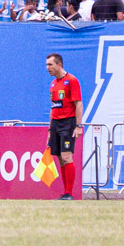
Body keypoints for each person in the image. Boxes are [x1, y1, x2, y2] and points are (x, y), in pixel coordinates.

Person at [44, 52, 83, 201]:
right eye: (47, 65)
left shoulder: (72, 81)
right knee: (60, 158)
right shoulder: (53, 84)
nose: (48, 68)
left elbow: (78, 103)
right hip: (55, 124)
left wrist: (78, 125)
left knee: (67, 156)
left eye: (50, 65)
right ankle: (65, 193)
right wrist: (49, 128)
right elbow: (53, 108)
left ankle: (69, 193)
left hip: (68, 123)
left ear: (59, 65)